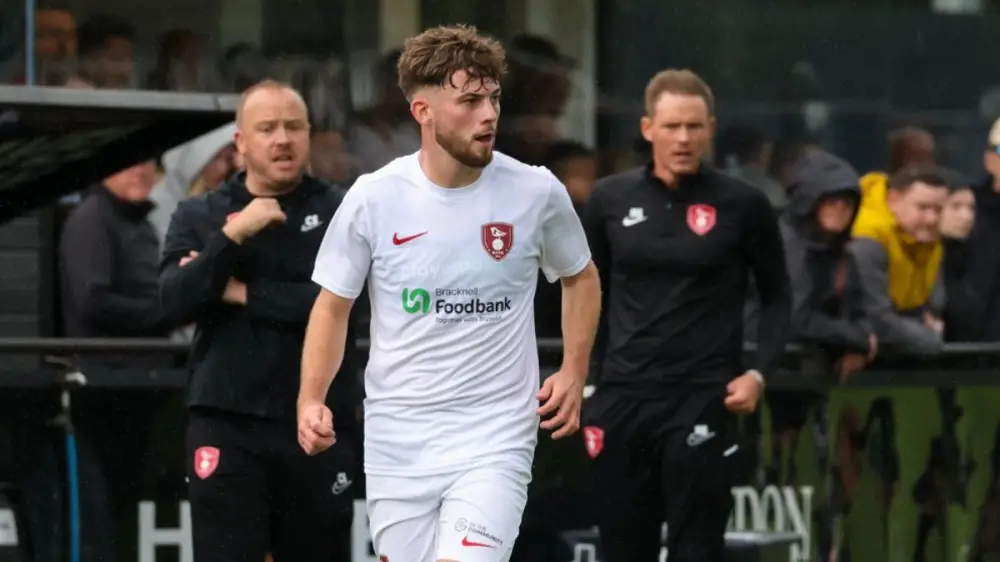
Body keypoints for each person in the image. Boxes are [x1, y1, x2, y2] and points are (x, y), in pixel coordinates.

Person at [297, 24, 601, 562]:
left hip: (495, 437)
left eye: (494, 98)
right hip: (398, 441)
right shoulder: (373, 197)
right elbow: (333, 305)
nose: (489, 114)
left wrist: (574, 369)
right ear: (423, 112)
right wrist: (311, 397)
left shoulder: (536, 191)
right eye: (469, 101)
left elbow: (580, 276)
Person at [581, 69, 792, 561]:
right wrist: (586, 380)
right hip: (622, 399)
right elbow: (585, 294)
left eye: (694, 127)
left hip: (703, 397)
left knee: (696, 550)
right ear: (647, 127)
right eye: (672, 126)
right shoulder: (609, 200)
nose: (683, 138)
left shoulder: (744, 205)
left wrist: (759, 372)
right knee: (622, 548)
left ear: (711, 129)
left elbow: (778, 296)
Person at [159, 80, 360, 562]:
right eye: (267, 128)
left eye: (293, 126)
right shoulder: (201, 214)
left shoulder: (342, 210)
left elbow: (336, 307)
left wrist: (236, 291)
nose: (282, 139)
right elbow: (171, 303)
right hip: (226, 418)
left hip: (316, 421)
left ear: (309, 134)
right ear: (241, 143)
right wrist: (232, 237)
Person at [849, 164, 948, 355]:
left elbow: (929, 303)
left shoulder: (923, 237)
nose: (932, 219)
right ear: (893, 200)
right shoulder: (868, 239)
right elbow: (875, 316)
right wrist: (927, 337)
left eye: (938, 210)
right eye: (923, 207)